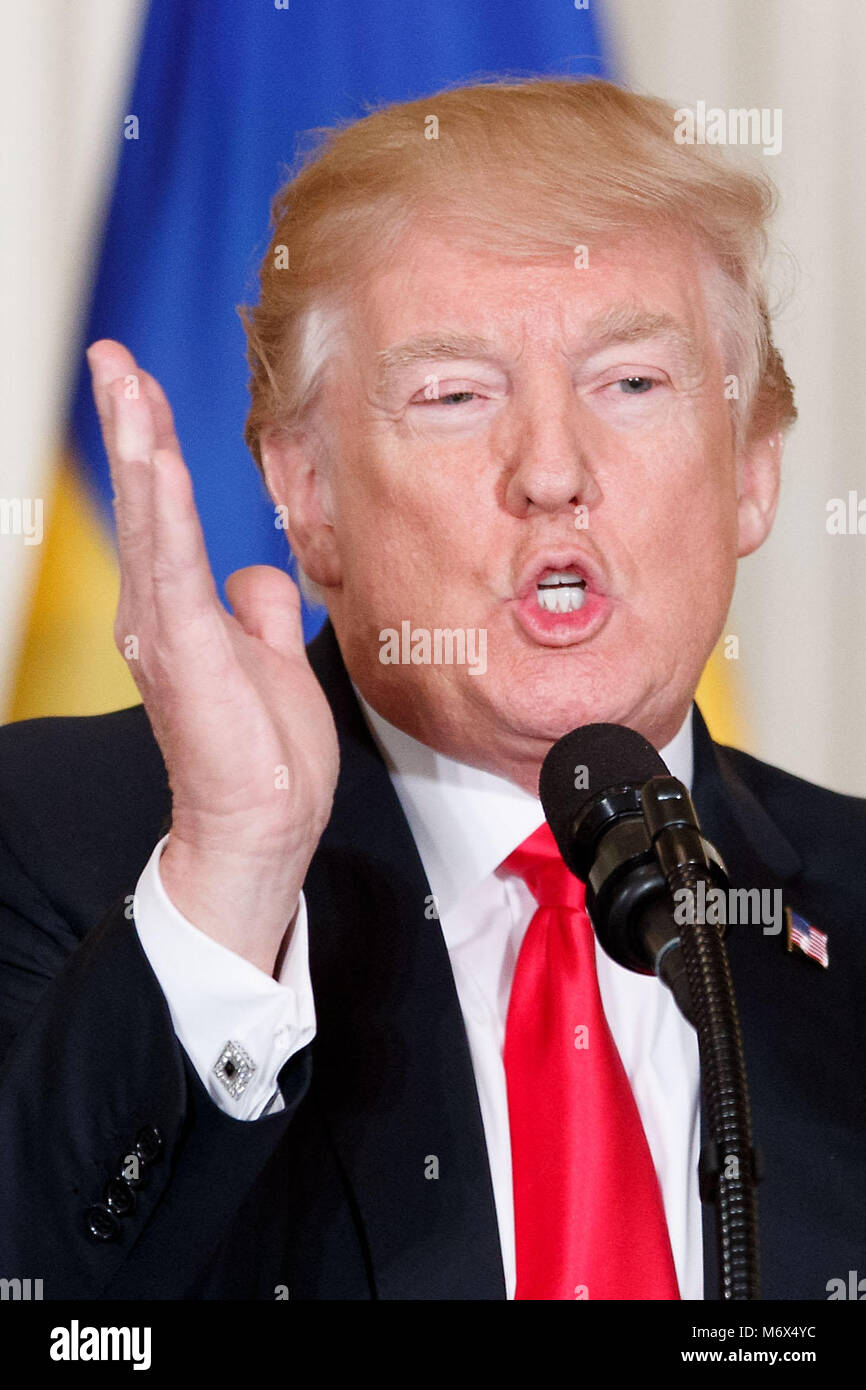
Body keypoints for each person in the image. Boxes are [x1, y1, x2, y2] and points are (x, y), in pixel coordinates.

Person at [0, 77, 863, 1301]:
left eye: (630, 382)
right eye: (454, 395)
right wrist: (236, 877)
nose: (553, 471)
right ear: (306, 496)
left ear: (754, 473)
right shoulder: (58, 845)